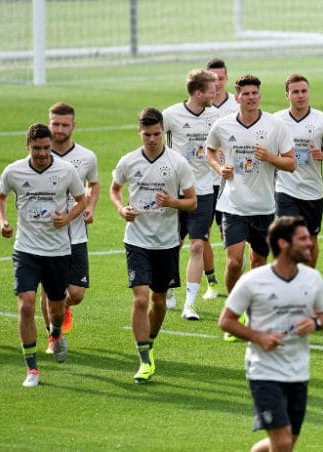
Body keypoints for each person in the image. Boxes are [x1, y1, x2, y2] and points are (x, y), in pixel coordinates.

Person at [219, 216, 323, 452]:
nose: (310, 243)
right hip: (264, 370)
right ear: (283, 243)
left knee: (287, 442)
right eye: (302, 239)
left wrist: (315, 322)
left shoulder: (313, 279)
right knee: (281, 443)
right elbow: (226, 321)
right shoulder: (253, 281)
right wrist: (259, 337)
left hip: (298, 369)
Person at [110, 108, 197, 383]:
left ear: (163, 132)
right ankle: (144, 359)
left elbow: (192, 202)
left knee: (158, 302)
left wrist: (172, 202)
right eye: (147, 134)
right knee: (140, 298)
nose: (152, 139)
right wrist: (121, 209)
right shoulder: (128, 161)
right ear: (139, 132)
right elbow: (114, 189)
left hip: (167, 242)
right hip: (136, 239)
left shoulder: (177, 162)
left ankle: (150, 342)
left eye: (157, 134)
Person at [0, 123, 86, 387]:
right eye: (37, 148)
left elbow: (81, 200)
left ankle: (56, 334)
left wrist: (68, 217)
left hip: (58, 251)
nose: (42, 153)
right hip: (25, 250)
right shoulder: (13, 171)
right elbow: (0, 197)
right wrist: (3, 221)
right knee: (25, 304)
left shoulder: (66, 170)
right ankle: (32, 370)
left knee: (56, 309)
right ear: (28, 146)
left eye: (46, 148)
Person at [205, 73, 295, 304]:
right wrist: (218, 167)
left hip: (263, 207)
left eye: (255, 93)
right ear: (237, 98)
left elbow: (291, 163)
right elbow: (210, 150)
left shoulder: (275, 125)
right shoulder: (223, 125)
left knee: (257, 263)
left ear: (260, 96)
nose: (251, 97)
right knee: (234, 262)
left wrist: (269, 157)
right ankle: (233, 310)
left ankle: (251, 308)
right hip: (232, 205)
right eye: (246, 94)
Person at [39, 102, 99, 352]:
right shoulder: (40, 154)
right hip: (46, 236)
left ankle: (60, 309)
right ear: (49, 123)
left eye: (65, 124)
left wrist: (91, 206)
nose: (59, 129)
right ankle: (53, 337)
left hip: (75, 234)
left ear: (74, 125)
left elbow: (93, 184)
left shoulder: (86, 157)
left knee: (76, 293)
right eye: (55, 124)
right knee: (49, 289)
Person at [163, 68, 220, 320]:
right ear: (198, 92)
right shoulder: (171, 115)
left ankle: (190, 304)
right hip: (174, 191)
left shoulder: (215, 116)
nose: (215, 93)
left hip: (204, 190)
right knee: (172, 244)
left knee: (197, 245)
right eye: (211, 90)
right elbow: (148, 139)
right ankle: (166, 288)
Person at [275, 73, 323, 268]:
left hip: (312, 191)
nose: (300, 95)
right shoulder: (277, 120)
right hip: (285, 189)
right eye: (295, 92)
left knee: (310, 240)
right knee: (287, 237)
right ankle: (287, 277)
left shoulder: (321, 120)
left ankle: (308, 277)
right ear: (287, 95)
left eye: (304, 91)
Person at [202, 57, 239, 301]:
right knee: (201, 234)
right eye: (211, 80)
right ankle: (212, 282)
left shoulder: (236, 108)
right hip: (203, 182)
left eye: (221, 79)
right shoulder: (198, 109)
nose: (216, 85)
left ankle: (236, 282)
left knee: (231, 236)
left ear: (226, 79)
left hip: (230, 182)